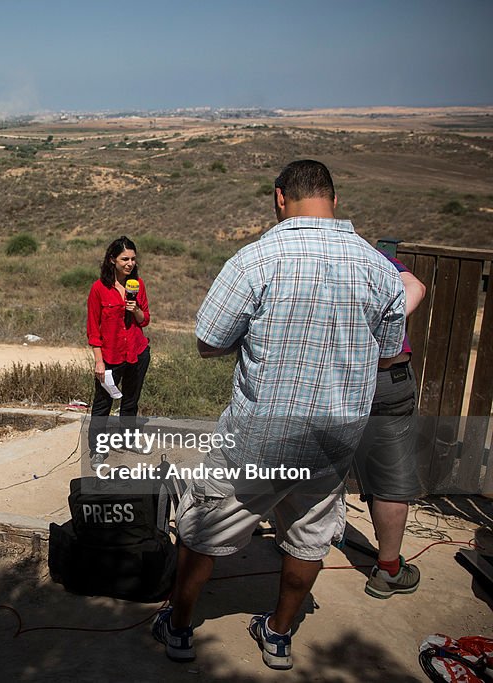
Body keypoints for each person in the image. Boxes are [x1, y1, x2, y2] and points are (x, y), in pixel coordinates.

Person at [152, 160, 405, 670]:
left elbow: (209, 341)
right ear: (334, 200)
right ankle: (279, 633)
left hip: (257, 439)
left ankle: (179, 627)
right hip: (333, 441)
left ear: (278, 198)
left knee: (204, 531)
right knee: (309, 537)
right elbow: (388, 352)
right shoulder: (380, 268)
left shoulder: (256, 260)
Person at [354, 253, 426, 598]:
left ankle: (299, 547)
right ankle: (388, 570)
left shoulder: (298, 259)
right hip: (387, 376)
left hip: (330, 379)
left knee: (311, 464)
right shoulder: (375, 257)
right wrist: (388, 324)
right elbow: (415, 286)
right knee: (390, 477)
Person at [85, 236, 151, 466]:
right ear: (112, 259)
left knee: (131, 400)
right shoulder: (99, 289)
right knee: (103, 404)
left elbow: (145, 321)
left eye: (133, 259)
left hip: (136, 351)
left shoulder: (138, 285)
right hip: (110, 356)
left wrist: (135, 310)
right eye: (124, 259)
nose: (130, 263)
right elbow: (93, 329)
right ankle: (98, 450)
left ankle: (128, 438)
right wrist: (99, 362)